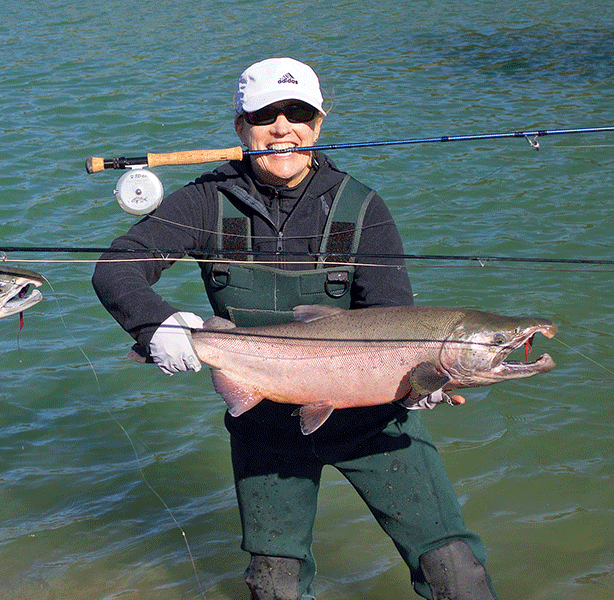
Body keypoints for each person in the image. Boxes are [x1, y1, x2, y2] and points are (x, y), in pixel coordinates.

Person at [91, 57, 499, 600]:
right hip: (266, 424)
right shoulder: (204, 202)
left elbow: (394, 316)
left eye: (299, 113)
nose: (284, 128)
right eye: (267, 116)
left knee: (455, 569)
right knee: (275, 586)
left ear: (319, 123)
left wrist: (421, 382)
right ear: (241, 127)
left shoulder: (362, 208)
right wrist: (155, 325)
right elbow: (116, 268)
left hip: (374, 419)